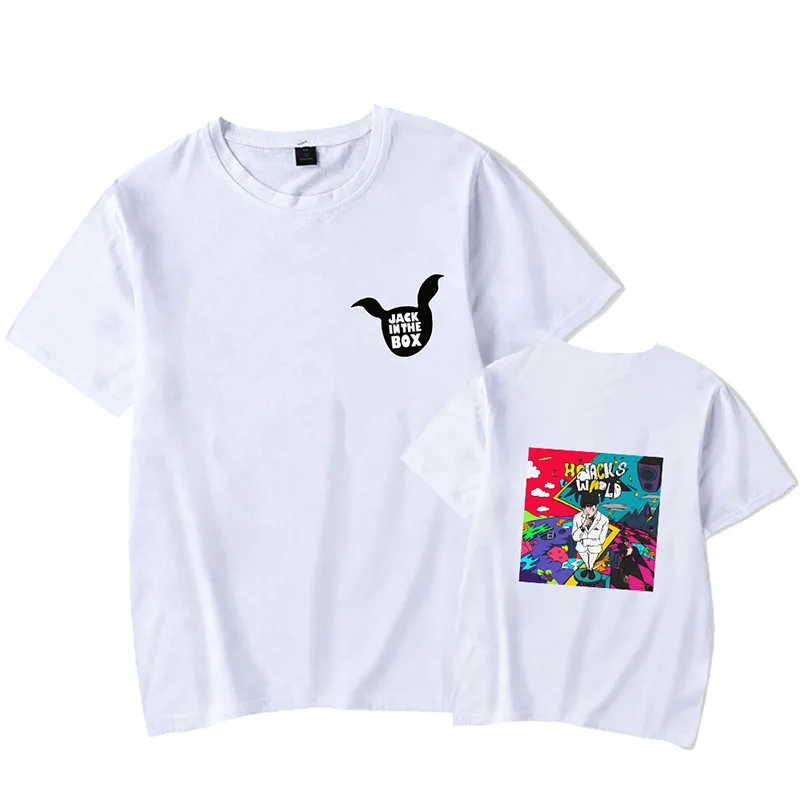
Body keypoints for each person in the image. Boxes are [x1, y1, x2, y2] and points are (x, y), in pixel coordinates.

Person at [572, 491, 609, 578]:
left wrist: (584, 541)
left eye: (589, 507)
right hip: (581, 548)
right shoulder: (577, 517)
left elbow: (601, 540)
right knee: (586, 561)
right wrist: (583, 526)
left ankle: (590, 569)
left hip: (594, 548)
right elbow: (575, 537)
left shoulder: (604, 520)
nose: (586, 510)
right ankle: (588, 569)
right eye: (584, 507)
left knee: (591, 561)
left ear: (596, 506)